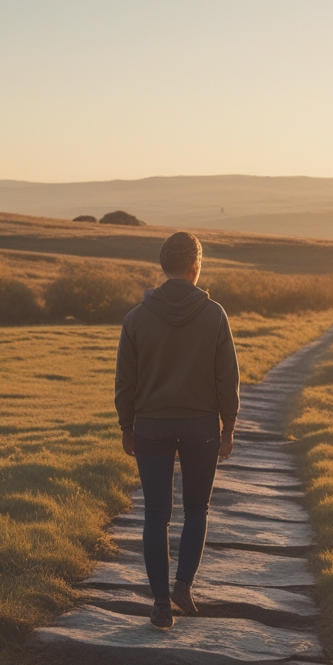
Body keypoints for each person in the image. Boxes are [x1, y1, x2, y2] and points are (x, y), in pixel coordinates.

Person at [114, 231, 240, 629]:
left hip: (151, 426)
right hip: (201, 426)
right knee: (196, 509)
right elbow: (227, 379)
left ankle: (160, 605)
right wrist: (228, 427)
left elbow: (125, 382)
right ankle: (183, 587)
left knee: (156, 515)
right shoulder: (215, 314)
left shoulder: (136, 318)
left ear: (164, 266)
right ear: (195, 266)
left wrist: (127, 426)